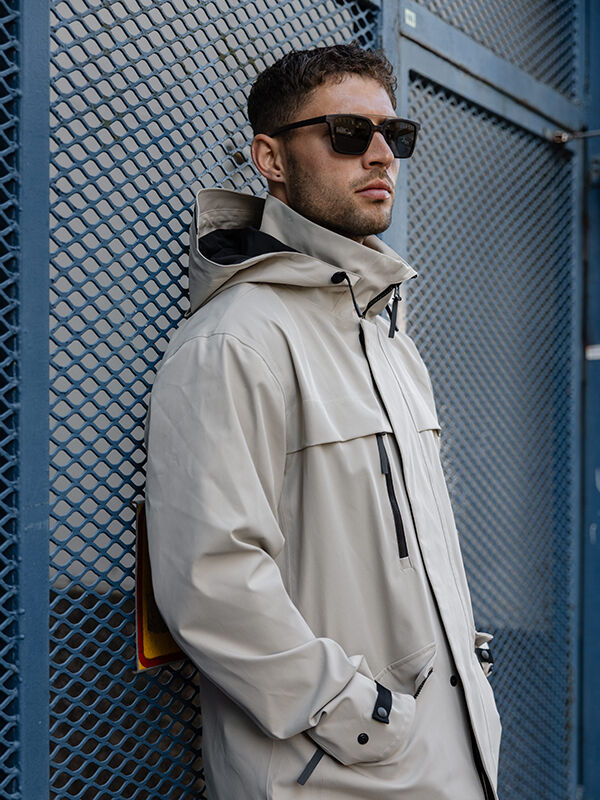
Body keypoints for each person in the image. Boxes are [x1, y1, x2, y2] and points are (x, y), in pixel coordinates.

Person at [145, 43, 501, 799]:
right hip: (339, 773)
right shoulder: (236, 339)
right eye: (347, 132)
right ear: (270, 158)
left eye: (394, 135)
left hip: (446, 760)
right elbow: (211, 581)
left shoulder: (391, 341)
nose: (380, 155)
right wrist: (363, 717)